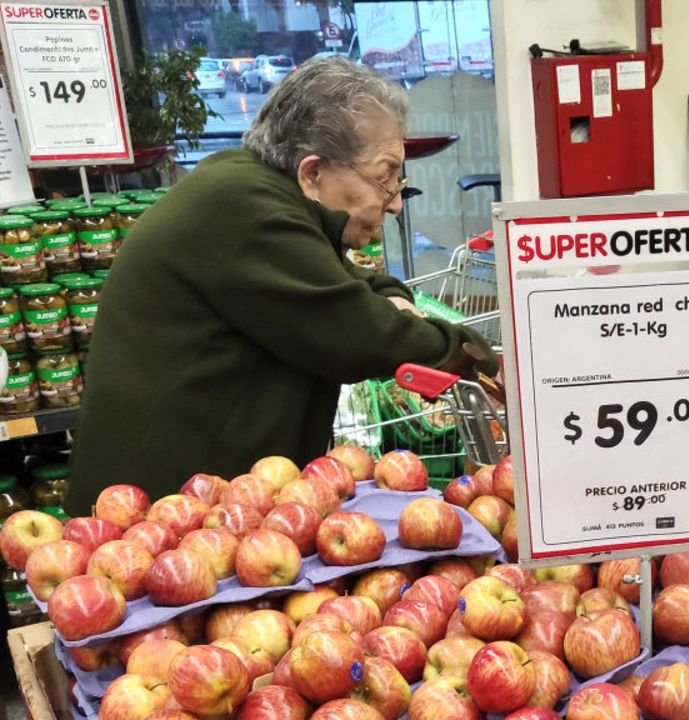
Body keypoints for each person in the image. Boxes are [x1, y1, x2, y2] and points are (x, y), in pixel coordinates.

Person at [65, 58, 496, 515]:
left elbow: (346, 278)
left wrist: (391, 296)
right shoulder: (247, 210)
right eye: (384, 177)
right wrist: (474, 356)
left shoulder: (245, 183)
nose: (393, 205)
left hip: (193, 506)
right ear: (312, 173)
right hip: (153, 517)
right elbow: (355, 333)